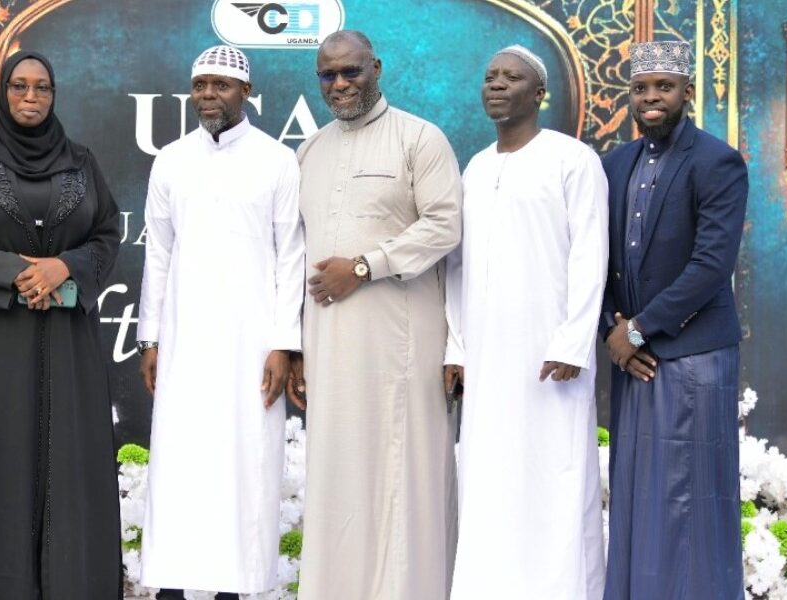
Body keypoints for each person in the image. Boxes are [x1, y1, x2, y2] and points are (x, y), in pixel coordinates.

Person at [0, 50, 122, 599]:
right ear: (3, 92)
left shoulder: (82, 162)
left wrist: (63, 269)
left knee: (72, 460)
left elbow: (107, 235)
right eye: (19, 86)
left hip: (69, 340)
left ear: (55, 94)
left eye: (42, 87)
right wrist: (15, 273)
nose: (31, 97)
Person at [291, 30, 462, 599]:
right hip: (328, 345)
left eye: (350, 72)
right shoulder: (310, 150)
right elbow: (297, 252)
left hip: (399, 345)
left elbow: (443, 226)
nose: (338, 84)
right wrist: (295, 349)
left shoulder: (420, 138)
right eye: (327, 75)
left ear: (377, 68)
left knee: (402, 472)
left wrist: (366, 266)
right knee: (337, 473)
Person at [136, 45, 305, 600]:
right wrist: (151, 337)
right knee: (181, 462)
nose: (209, 95)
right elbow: (157, 253)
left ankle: (236, 587)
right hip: (184, 341)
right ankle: (173, 586)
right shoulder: (172, 160)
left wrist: (284, 344)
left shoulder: (277, 160)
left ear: (246, 93)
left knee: (244, 462)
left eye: (222, 85)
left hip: (251, 343)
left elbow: (291, 258)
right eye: (201, 85)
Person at [444, 46, 608, 600]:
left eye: (512, 77)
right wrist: (457, 347)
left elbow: (590, 255)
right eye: (490, 76)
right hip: (488, 357)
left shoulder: (573, 159)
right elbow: (458, 266)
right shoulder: (476, 165)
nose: (496, 85)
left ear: (539, 94)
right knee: (489, 477)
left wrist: (572, 341)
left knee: (555, 478)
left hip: (550, 355)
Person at [601, 40, 748, 600]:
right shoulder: (614, 163)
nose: (651, 98)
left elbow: (712, 264)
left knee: (687, 500)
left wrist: (637, 329)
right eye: (641, 88)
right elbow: (597, 262)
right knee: (639, 495)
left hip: (693, 357)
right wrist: (614, 334)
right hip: (633, 359)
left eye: (663, 86)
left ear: (687, 91)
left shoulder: (717, 161)